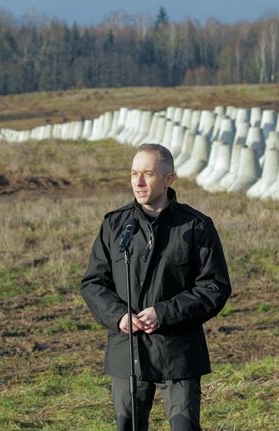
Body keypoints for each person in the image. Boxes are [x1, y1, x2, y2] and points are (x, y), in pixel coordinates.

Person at [81, 144, 231, 431]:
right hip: (128, 351)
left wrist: (164, 312)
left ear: (168, 179)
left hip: (179, 352)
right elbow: (93, 283)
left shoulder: (196, 226)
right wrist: (119, 316)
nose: (138, 182)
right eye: (134, 173)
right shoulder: (115, 225)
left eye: (147, 174)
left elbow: (214, 287)